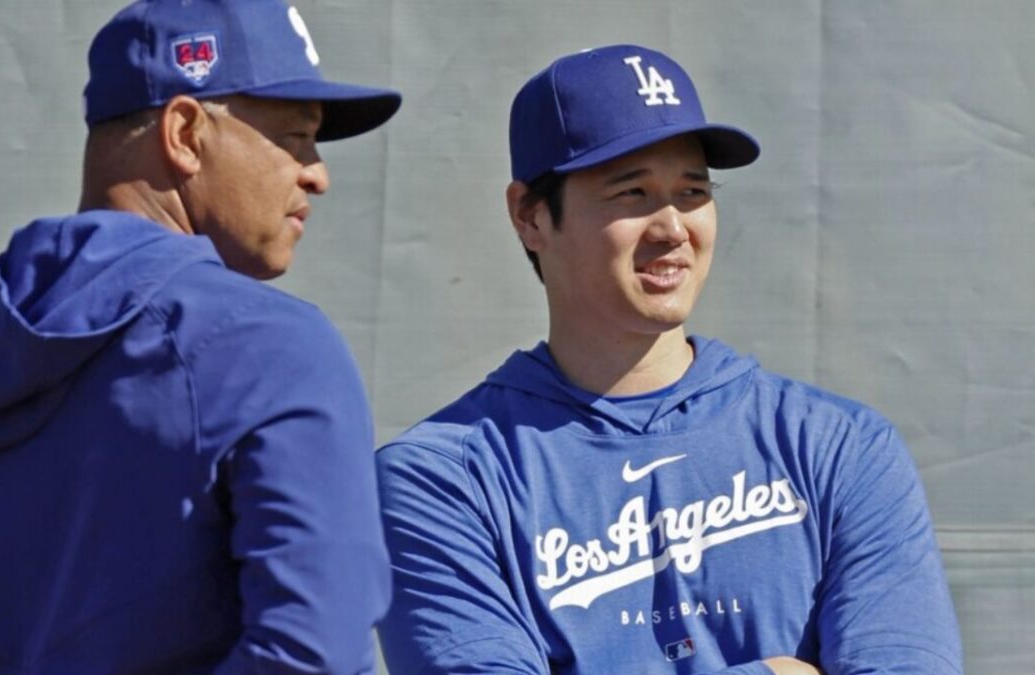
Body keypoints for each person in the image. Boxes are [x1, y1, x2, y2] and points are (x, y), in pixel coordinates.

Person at [375, 45, 962, 675]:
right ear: (529, 215)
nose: (673, 228)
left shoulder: (838, 446)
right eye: (632, 193)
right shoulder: (439, 480)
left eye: (693, 191)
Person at [0, 1, 400, 672]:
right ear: (186, 132)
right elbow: (313, 655)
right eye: (296, 136)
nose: (317, 173)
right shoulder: (270, 347)